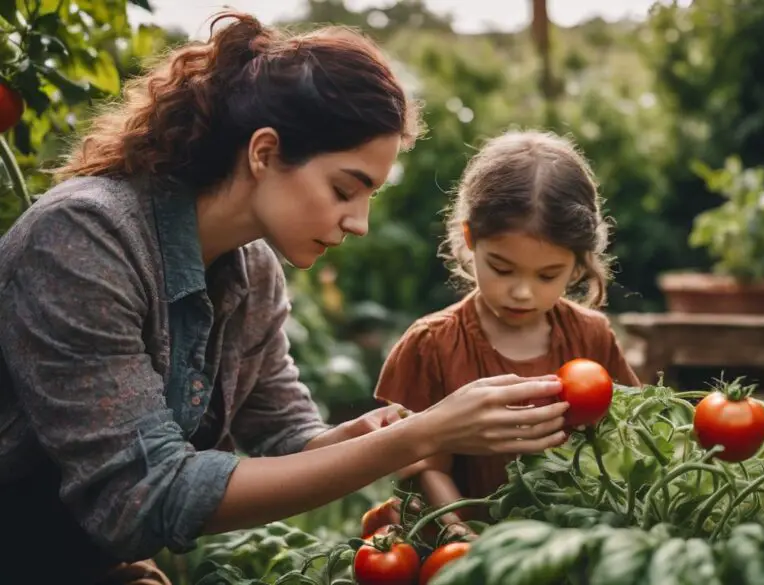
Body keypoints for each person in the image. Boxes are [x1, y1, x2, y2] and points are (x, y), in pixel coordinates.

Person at [0, 12, 570, 583]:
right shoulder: (84, 238)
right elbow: (144, 499)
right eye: (345, 189)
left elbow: (281, 427)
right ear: (265, 153)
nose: (360, 223)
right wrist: (419, 437)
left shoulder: (250, 269)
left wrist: (349, 440)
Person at [373, 130, 642, 534]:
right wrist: (462, 537)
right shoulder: (432, 345)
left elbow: (626, 442)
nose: (521, 291)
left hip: (569, 546)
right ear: (470, 239)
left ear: (578, 263)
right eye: (501, 267)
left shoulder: (592, 338)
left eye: (548, 275)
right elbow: (420, 465)